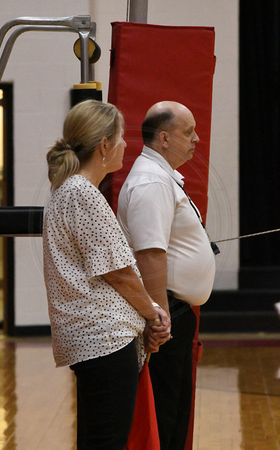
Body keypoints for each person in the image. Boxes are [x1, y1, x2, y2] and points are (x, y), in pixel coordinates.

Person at [43, 99, 171, 450]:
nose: (127, 144)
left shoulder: (69, 189)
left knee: (98, 438)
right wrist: (154, 312)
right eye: (121, 137)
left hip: (94, 340)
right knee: (107, 440)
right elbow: (118, 273)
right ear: (104, 146)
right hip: (104, 340)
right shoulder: (83, 192)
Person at [117, 101, 216, 450]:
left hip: (174, 311)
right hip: (167, 313)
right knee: (165, 413)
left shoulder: (161, 177)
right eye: (188, 132)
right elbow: (150, 253)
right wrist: (159, 318)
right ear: (163, 138)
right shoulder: (150, 180)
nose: (196, 139)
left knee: (174, 411)